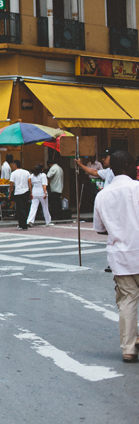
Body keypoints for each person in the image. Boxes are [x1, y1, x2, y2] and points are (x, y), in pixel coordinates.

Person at [91, 150, 139, 363]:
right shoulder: (137, 188)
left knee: (127, 300)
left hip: (120, 257)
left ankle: (128, 348)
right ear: (128, 165)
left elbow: (100, 229)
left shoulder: (102, 195)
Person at [9, 160, 31, 230]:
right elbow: (29, 183)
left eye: (13, 164)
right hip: (26, 192)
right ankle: (24, 223)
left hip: (18, 193)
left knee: (19, 209)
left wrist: (10, 193)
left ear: (15, 165)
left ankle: (21, 224)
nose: (13, 166)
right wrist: (31, 192)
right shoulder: (26, 172)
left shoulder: (13, 173)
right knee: (25, 208)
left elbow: (11, 185)